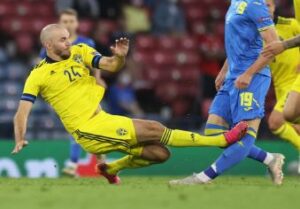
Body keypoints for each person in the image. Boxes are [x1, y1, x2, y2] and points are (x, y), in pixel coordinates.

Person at [12, 24, 248, 184]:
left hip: (103, 119)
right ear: (49, 45)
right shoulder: (38, 75)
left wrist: (121, 56)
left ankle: (111, 169)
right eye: (62, 40)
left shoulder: (79, 51)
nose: (68, 42)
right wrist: (20, 137)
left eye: (68, 38)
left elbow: (111, 66)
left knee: (160, 153)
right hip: (87, 130)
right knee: (155, 128)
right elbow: (22, 113)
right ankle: (219, 140)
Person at [169, 0, 285, 186]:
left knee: (245, 136)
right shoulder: (235, 3)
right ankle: (270, 159)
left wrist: (249, 73)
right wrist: (224, 70)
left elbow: (274, 46)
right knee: (214, 131)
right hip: (233, 77)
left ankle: (202, 178)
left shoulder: (255, 4)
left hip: (252, 78)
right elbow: (236, 44)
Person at [39, 8, 106, 177]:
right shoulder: (51, 45)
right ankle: (92, 163)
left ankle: (89, 163)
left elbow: (94, 63)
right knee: (80, 128)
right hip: (65, 95)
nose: (68, 24)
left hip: (86, 91)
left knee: (95, 126)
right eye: (65, 21)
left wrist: (98, 78)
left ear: (77, 23)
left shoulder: (86, 42)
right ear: (60, 24)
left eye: (71, 21)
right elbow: (43, 69)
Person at [263, 0, 300, 170]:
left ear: (275, 7)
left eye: (268, 5)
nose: (266, 9)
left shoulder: (290, 24)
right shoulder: (257, 33)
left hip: (294, 81)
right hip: (280, 86)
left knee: (276, 122)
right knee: (294, 127)